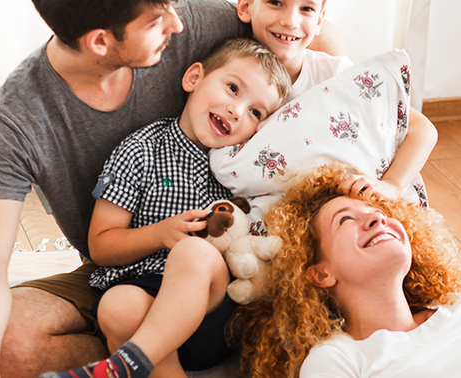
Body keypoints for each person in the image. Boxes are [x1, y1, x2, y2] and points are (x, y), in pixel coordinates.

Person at [0, 0, 344, 377]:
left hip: (224, 264)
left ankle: (158, 349)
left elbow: (313, 31)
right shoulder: (16, 120)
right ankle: (149, 355)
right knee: (7, 344)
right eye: (158, 19)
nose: (176, 25)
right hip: (125, 267)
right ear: (101, 42)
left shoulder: (194, 21)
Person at [40, 38, 290, 378]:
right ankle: (139, 364)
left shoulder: (245, 171)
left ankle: (128, 361)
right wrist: (160, 234)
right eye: (233, 89)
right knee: (116, 306)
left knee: (193, 252)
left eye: (255, 113)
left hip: (212, 310)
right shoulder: (141, 150)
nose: (237, 111)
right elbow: (100, 245)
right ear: (194, 78)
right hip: (143, 292)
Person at [234, 0, 437, 201]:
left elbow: (423, 130)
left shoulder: (336, 74)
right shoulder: (232, 78)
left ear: (319, 20)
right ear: (246, 6)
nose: (290, 21)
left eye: (306, 9)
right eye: (275, 2)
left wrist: (391, 184)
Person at [228, 163, 461, 377]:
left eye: (379, 212)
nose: (378, 220)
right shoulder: (336, 360)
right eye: (345, 220)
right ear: (321, 274)